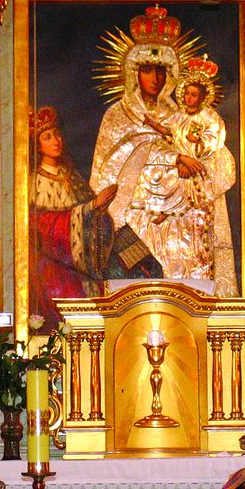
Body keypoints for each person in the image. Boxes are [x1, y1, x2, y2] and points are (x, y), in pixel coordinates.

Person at [90, 7, 238, 295]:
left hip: (180, 220)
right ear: (134, 73)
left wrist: (194, 161)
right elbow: (109, 168)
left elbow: (208, 155)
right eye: (147, 70)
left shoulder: (181, 114)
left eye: (161, 70)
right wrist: (175, 157)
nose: (155, 78)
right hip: (137, 214)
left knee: (186, 282)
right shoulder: (117, 115)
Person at [30, 106, 161, 330]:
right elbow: (44, 228)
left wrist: (100, 212)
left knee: (137, 262)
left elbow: (94, 220)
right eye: (47, 137)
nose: (56, 141)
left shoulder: (72, 177)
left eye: (57, 134)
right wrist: (92, 207)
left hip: (87, 266)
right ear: (37, 146)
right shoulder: (35, 183)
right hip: (57, 270)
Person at [134, 56, 238, 292]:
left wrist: (197, 145)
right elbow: (167, 134)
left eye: (194, 95)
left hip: (200, 178)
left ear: (203, 97)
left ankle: (201, 286)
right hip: (178, 171)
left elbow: (213, 141)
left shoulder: (210, 118)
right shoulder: (178, 116)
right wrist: (176, 155)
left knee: (199, 237)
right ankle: (164, 211)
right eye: (187, 94)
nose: (190, 98)